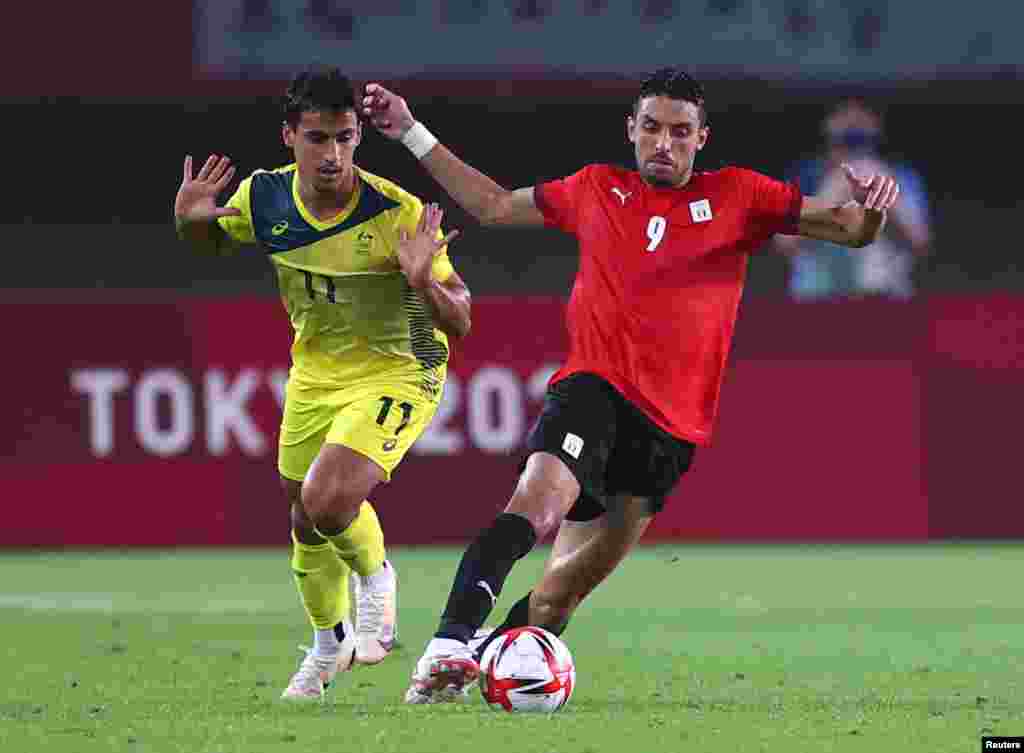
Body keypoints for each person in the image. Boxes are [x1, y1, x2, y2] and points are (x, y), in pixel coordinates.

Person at [361, 67, 899, 704]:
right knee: (536, 507)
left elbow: (850, 229)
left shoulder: (739, 197)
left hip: (672, 432)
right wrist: (410, 133)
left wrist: (871, 217)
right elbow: (493, 206)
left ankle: (471, 665)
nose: (662, 143)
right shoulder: (596, 188)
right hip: (594, 390)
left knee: (560, 596)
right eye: (651, 128)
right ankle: (450, 642)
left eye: (679, 131)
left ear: (702, 138)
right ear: (631, 130)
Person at [173, 67, 472, 701]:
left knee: (330, 501)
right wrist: (189, 222)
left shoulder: (398, 212)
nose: (332, 154)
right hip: (315, 370)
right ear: (289, 137)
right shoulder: (264, 199)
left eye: (344, 138)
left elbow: (463, 319)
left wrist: (423, 281)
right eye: (317, 138)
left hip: (401, 365)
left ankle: (378, 582)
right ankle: (326, 644)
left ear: (359, 136)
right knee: (302, 515)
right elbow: (205, 243)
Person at [776, 99, 931, 300]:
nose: (853, 117)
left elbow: (920, 244)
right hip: (817, 299)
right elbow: (785, 245)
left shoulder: (901, 176)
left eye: (860, 140)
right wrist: (832, 195)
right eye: (846, 140)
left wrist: (881, 197)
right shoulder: (804, 176)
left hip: (883, 298)